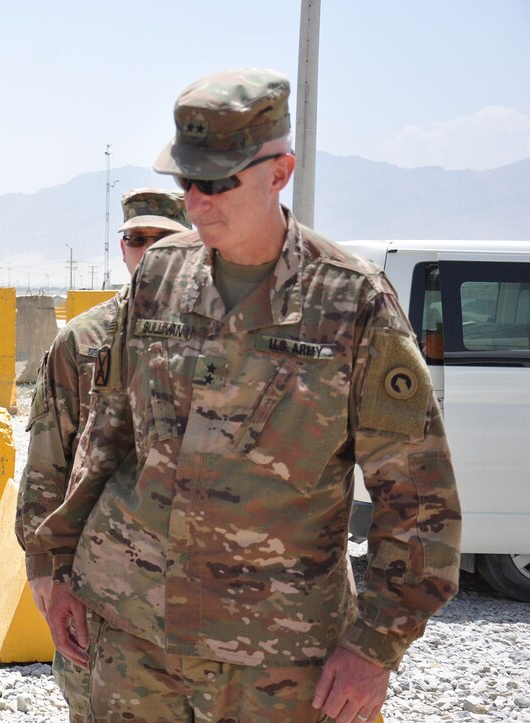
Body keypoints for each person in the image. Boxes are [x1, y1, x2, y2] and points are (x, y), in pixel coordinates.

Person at [34, 68, 461, 723]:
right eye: (187, 182)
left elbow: (420, 503)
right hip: (135, 639)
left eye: (216, 183)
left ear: (279, 171)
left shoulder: (351, 303)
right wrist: (55, 563)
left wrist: (375, 647)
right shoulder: (159, 276)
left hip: (278, 664)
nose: (197, 201)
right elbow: (108, 432)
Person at [16, 188, 190, 722]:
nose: (149, 251)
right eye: (138, 239)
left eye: (164, 240)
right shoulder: (85, 340)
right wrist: (45, 566)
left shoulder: (224, 337)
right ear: (122, 248)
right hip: (103, 584)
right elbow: (49, 461)